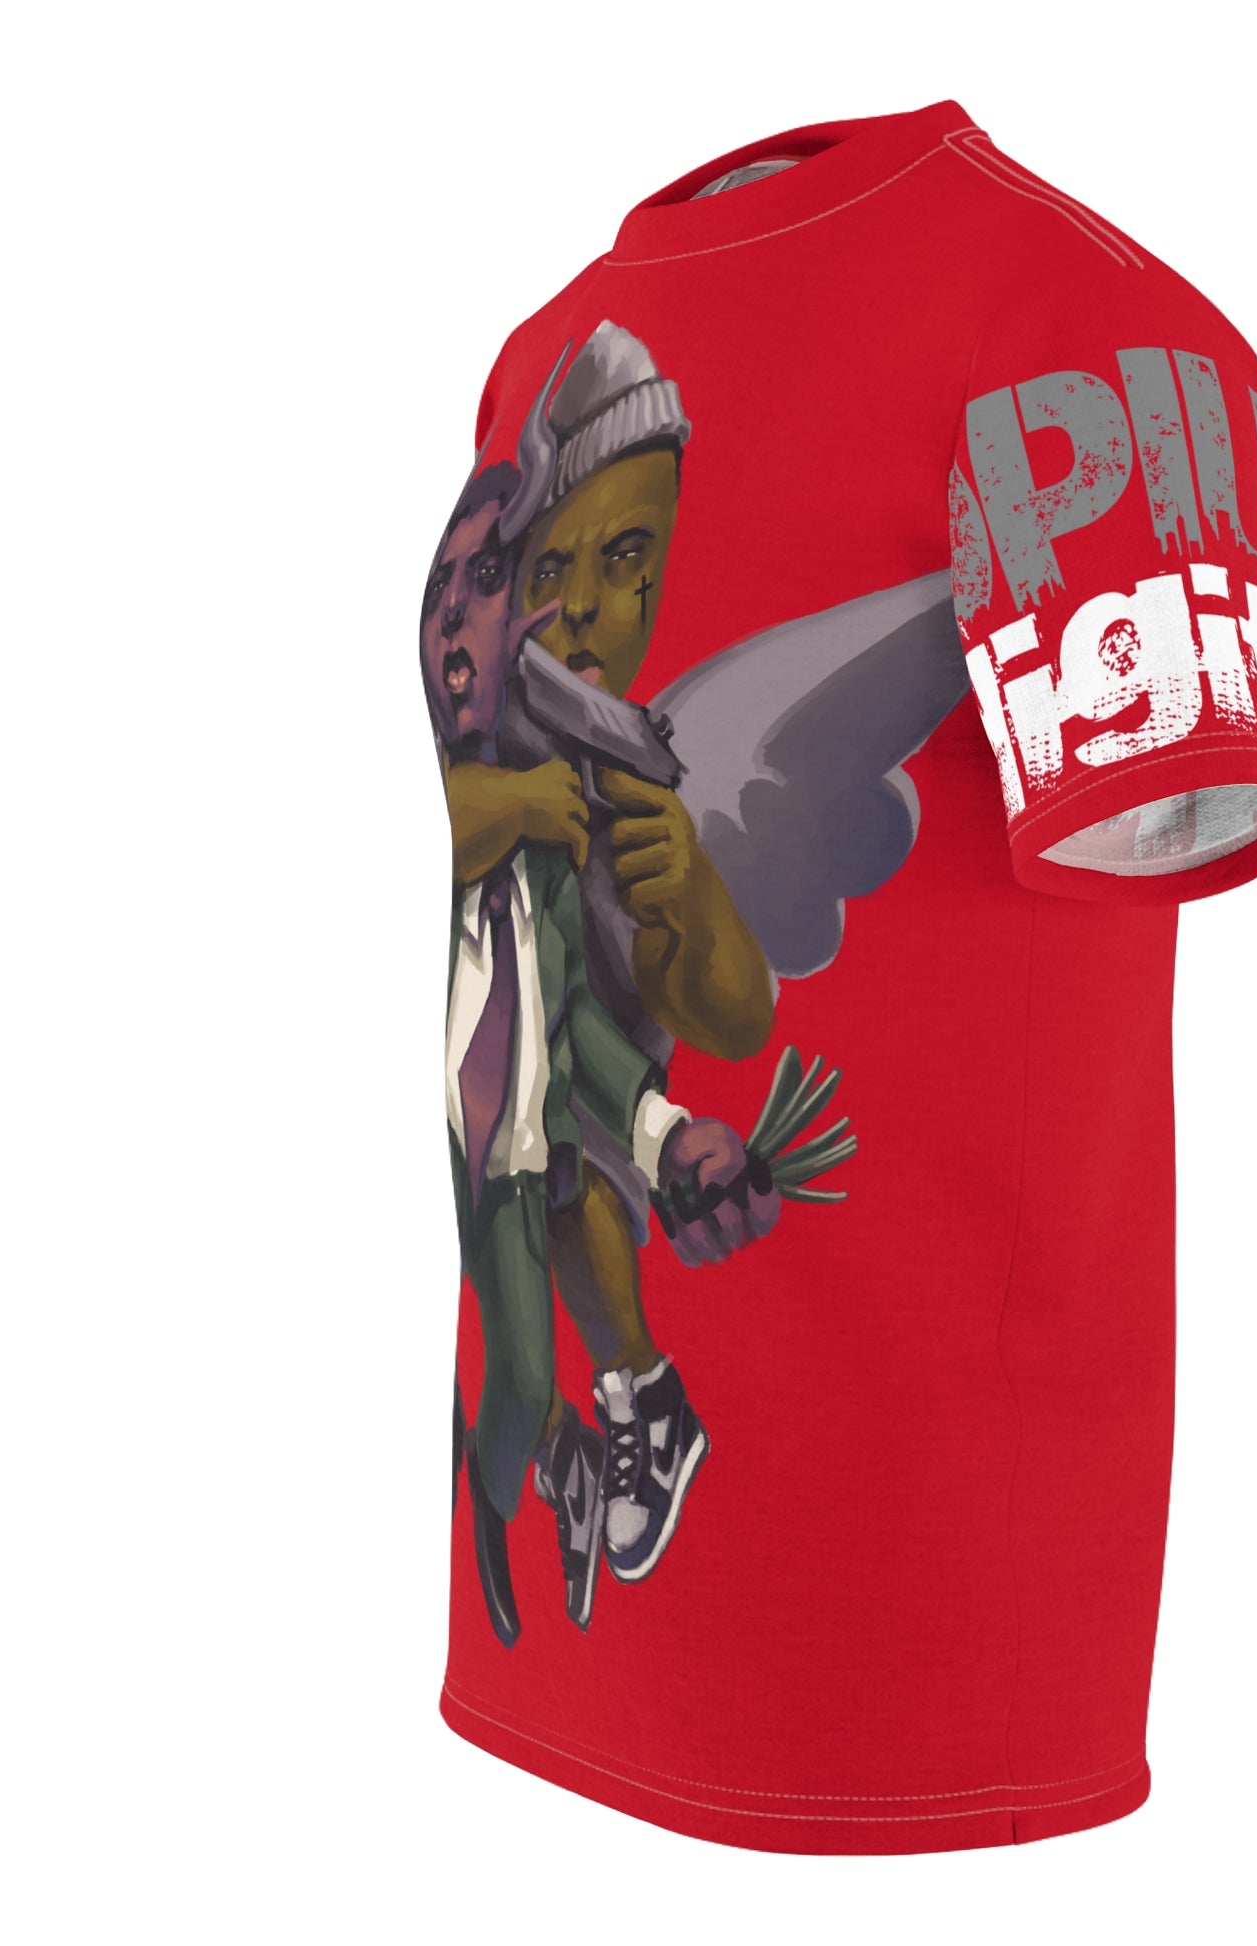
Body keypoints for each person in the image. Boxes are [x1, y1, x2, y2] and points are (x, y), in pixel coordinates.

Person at [420, 390, 778, 1646]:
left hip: (535, 1136)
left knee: (523, 1372)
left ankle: (584, 1433)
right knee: (515, 1378)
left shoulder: (606, 787)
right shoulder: (494, 755)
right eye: (542, 573)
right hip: (472, 1153)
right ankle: (560, 1450)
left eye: (621, 563)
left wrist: (671, 1134)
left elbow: (622, 1029)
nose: (575, 609)